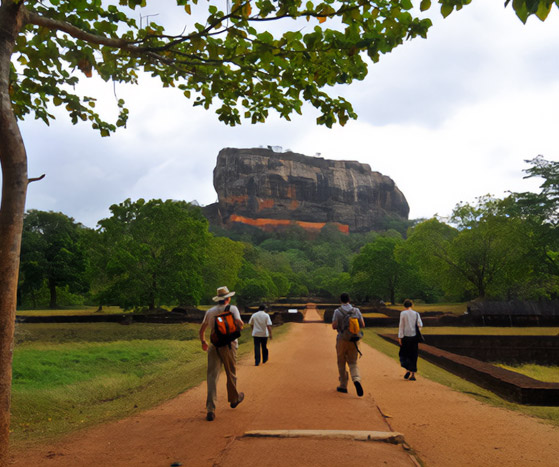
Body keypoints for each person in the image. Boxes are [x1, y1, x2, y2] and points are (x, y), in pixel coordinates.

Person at [199, 286, 245, 421]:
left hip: (214, 345)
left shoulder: (210, 311)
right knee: (230, 373)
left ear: (218, 299)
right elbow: (239, 324)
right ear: (228, 298)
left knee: (212, 376)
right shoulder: (232, 308)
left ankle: (210, 409)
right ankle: (234, 399)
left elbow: (201, 330)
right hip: (229, 345)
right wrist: (238, 326)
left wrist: (203, 342)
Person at [331, 293, 365, 397]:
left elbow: (334, 326)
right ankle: (356, 379)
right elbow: (362, 324)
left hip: (342, 339)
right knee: (353, 363)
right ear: (349, 300)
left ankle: (343, 385)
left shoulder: (337, 311)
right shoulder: (356, 310)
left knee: (341, 362)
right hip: (354, 340)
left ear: (340, 300)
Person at [398, 299, 423, 381]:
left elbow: (401, 326)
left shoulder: (403, 313)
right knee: (414, 355)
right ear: (412, 305)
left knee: (404, 354)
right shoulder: (416, 314)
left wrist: (400, 337)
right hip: (414, 337)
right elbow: (420, 325)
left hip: (406, 337)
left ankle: (407, 370)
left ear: (404, 306)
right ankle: (413, 374)